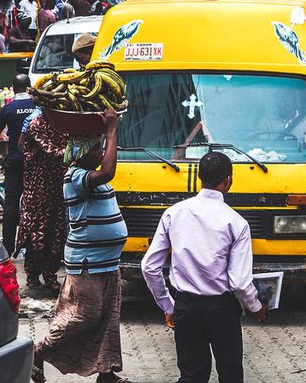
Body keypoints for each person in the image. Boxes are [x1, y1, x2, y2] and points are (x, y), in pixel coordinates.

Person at [142, 152, 266, 383]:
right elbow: (239, 282)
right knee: (230, 375)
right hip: (222, 310)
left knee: (191, 376)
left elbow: (149, 267)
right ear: (228, 180)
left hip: (186, 307)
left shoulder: (174, 213)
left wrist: (169, 305)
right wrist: (255, 307)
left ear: (200, 177)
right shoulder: (236, 222)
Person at [32, 109, 128, 383]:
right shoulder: (74, 177)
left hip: (108, 261)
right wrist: (111, 130)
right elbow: (109, 171)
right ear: (80, 154)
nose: (100, 153)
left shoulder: (90, 175)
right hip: (87, 262)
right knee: (82, 317)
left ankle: (106, 373)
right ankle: (39, 352)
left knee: (108, 319)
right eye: (95, 149)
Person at [0, 74, 40, 256]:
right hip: (34, 163)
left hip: (14, 161)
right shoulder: (38, 107)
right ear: (29, 88)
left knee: (11, 205)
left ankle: (7, 247)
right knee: (34, 205)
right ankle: (33, 247)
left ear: (13, 88)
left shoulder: (7, 109)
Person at [17, 112, 70, 293]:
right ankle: (32, 276)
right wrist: (79, 152)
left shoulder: (65, 124)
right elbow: (51, 150)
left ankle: (50, 275)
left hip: (58, 187)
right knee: (36, 232)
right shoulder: (36, 123)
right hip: (38, 189)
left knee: (56, 232)